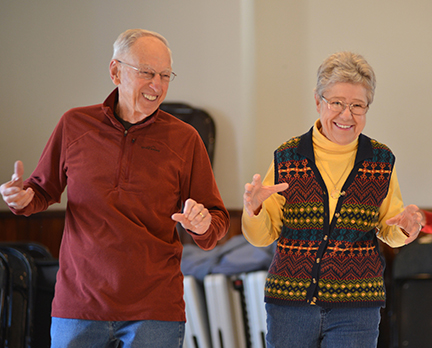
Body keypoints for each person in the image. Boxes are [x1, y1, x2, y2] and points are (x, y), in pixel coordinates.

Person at [0, 29, 229, 348]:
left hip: (155, 310)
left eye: (165, 75)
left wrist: (204, 225)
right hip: (79, 306)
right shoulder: (74, 124)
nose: (157, 85)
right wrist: (22, 198)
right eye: (147, 73)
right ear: (115, 71)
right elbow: (40, 191)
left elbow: (215, 220)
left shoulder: (185, 139)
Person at [242, 51, 423, 348]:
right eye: (336, 103)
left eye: (357, 106)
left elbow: (389, 229)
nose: (346, 115)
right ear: (318, 101)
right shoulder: (288, 157)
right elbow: (263, 236)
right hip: (291, 304)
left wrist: (405, 229)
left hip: (356, 307)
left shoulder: (380, 160)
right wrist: (255, 209)